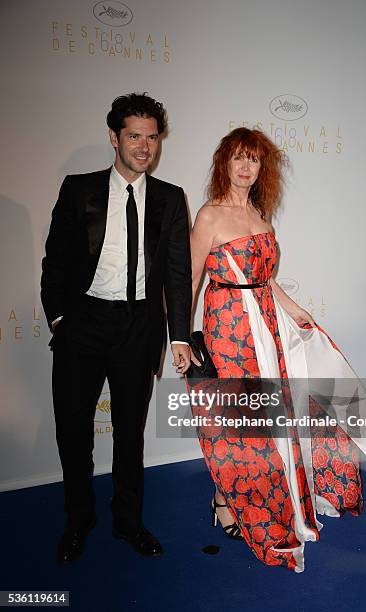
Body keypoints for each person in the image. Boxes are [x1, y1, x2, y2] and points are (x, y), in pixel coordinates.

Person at [190, 127, 366, 572]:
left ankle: (237, 497)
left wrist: (295, 309)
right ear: (224, 164)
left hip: (266, 324)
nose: (246, 168)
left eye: (254, 160)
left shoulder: (261, 216)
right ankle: (228, 502)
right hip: (228, 329)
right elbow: (192, 279)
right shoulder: (209, 215)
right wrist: (184, 337)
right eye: (238, 159)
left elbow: (264, 281)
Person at [41, 92, 192, 564]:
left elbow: (177, 273)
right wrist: (61, 318)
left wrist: (180, 335)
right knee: (74, 432)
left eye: (151, 138)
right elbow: (56, 262)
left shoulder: (170, 198)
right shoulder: (78, 188)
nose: (144, 147)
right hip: (83, 324)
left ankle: (129, 523)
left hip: (137, 327)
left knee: (130, 434)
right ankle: (78, 520)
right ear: (114, 137)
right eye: (134, 136)